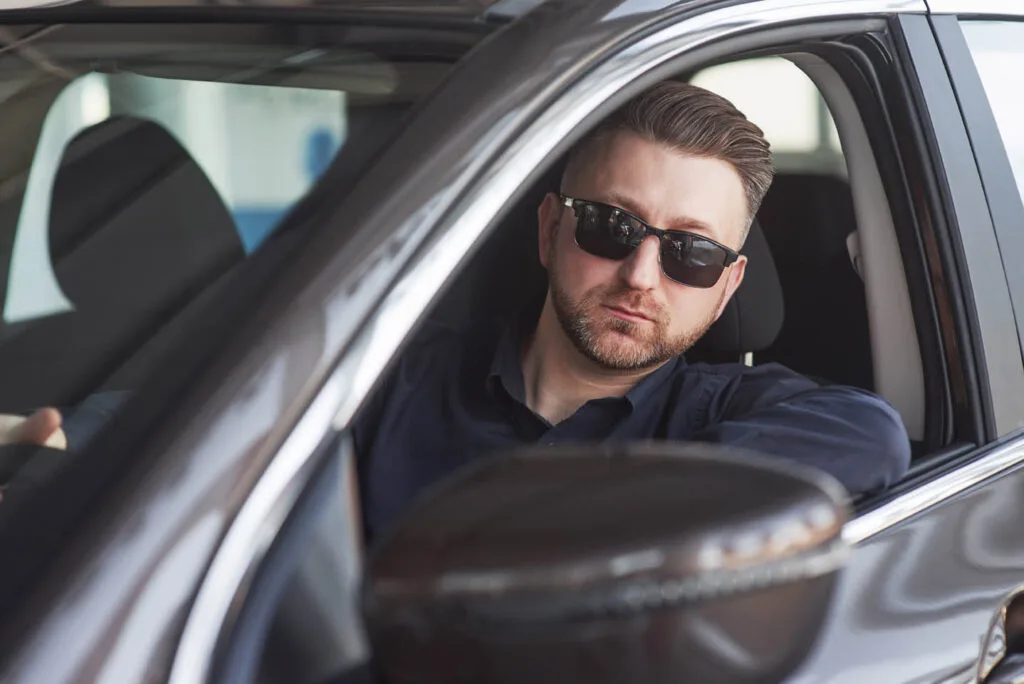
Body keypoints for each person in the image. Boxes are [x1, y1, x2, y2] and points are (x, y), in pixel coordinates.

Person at [353, 81, 911, 539]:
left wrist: (623, 500)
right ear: (551, 230)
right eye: (612, 227)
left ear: (726, 286)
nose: (641, 277)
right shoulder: (389, 380)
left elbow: (874, 436)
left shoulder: (721, 415)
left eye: (692, 254)